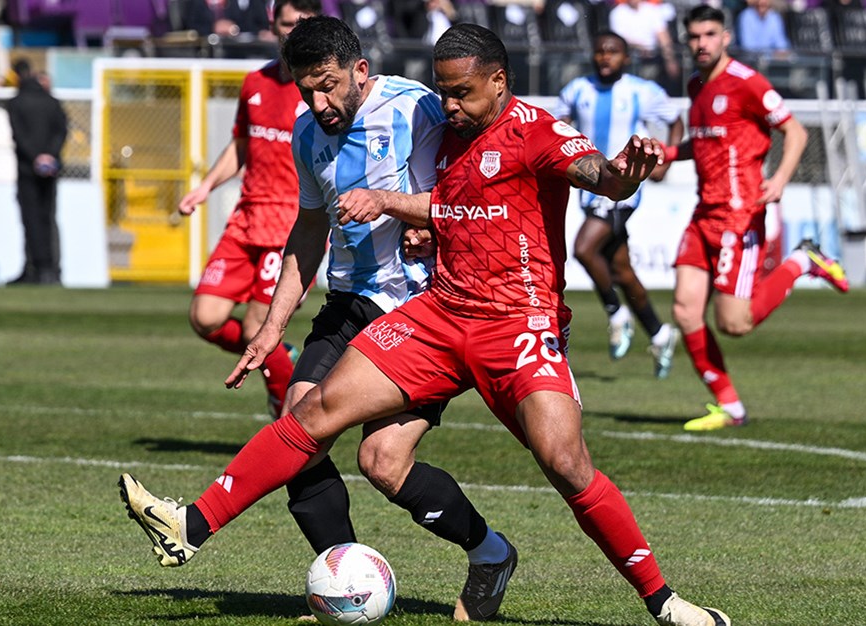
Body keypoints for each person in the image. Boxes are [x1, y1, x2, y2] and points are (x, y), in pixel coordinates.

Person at [119, 21, 732, 626]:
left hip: (519, 324)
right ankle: (190, 526)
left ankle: (665, 603)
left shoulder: (533, 129)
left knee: (567, 464)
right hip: (437, 312)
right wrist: (405, 218)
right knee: (350, 438)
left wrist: (631, 169)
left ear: (499, 82)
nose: (448, 105)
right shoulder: (436, 129)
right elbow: (442, 203)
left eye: (461, 93)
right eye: (442, 91)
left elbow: (600, 175)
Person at [126, 15, 518, 622]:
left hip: (421, 310)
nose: (319, 101)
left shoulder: (417, 109)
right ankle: (345, 582)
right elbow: (309, 231)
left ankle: (489, 554)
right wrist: (272, 326)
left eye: (329, 84)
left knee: (381, 463)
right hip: (346, 302)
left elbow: (476, 181)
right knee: (298, 433)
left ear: (360, 70)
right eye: (307, 88)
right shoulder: (307, 133)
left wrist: (422, 222)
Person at [661, 5, 848, 432]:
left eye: (709, 35)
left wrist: (780, 178)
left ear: (725, 37)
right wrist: (669, 154)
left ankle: (803, 261)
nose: (701, 44)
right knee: (686, 312)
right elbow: (705, 143)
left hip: (739, 217)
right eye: (694, 37)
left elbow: (795, 131)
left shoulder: (747, 83)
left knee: (734, 324)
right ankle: (730, 406)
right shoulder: (696, 86)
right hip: (702, 214)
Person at [178, 0, 318, 423]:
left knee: (262, 325)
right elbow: (242, 143)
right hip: (245, 219)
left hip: (291, 224)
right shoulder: (255, 82)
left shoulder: (321, 89)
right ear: (272, 26)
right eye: (287, 23)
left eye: (303, 24)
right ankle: (282, 359)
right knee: (205, 317)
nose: (294, 31)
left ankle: (284, 424)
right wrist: (205, 187)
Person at [554, 30, 684, 377]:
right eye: (599, 51)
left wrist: (666, 162)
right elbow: (556, 126)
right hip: (589, 187)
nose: (605, 57)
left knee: (583, 249)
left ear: (626, 58)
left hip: (624, 188)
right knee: (622, 270)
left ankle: (616, 314)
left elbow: (675, 121)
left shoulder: (642, 91)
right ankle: (660, 333)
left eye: (612, 52)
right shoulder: (577, 89)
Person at [6, 59, 68, 286]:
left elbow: (19, 135)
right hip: (50, 169)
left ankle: (35, 267)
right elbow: (61, 132)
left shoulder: (16, 103)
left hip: (26, 169)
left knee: (30, 219)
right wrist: (49, 156)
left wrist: (35, 158)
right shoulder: (52, 103)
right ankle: (51, 269)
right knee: (48, 218)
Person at [608, 0, 680, 93]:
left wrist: (670, 60)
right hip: (630, 60)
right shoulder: (617, 13)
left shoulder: (652, 11)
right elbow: (619, 40)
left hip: (653, 59)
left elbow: (663, 37)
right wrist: (639, 47)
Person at [184, 0, 274, 40]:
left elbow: (247, 24)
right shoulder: (194, 2)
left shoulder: (234, 3)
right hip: (203, 55)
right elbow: (189, 25)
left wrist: (234, 27)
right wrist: (213, 28)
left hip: (233, 52)